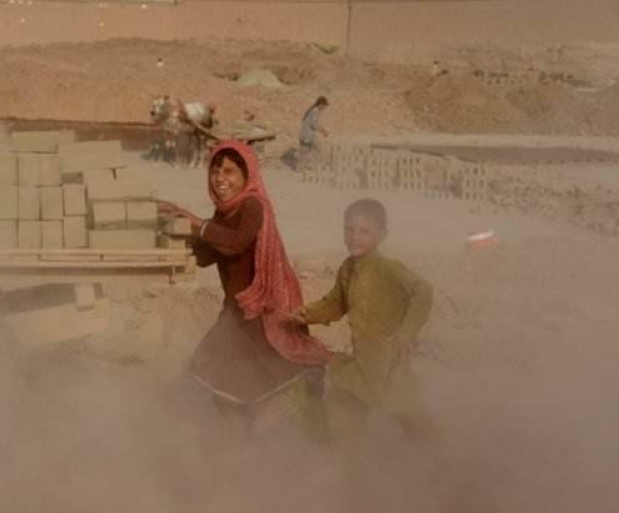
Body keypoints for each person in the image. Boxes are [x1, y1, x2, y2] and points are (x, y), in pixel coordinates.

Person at [158, 140, 330, 436]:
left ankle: (264, 433)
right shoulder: (223, 213)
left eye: (230, 172)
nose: (220, 178)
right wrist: (171, 232)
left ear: (246, 174)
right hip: (236, 311)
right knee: (213, 373)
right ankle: (241, 437)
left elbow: (236, 241)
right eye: (215, 170)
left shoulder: (253, 205)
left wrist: (196, 223)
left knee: (265, 374)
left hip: (261, 310)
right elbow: (207, 255)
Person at [291, 198, 435, 443]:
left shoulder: (389, 268)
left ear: (382, 235)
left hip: (389, 365)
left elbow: (424, 291)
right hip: (362, 362)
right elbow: (335, 304)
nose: (354, 237)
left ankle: (444, 459)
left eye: (364, 231)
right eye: (349, 229)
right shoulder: (347, 269)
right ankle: (353, 462)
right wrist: (307, 313)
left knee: (413, 420)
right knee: (345, 408)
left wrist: (407, 332)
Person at [297, 96, 329, 172]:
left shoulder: (311, 110)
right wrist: (323, 131)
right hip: (309, 135)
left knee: (303, 152)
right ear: (321, 104)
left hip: (303, 134)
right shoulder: (315, 111)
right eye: (324, 106)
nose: (324, 108)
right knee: (317, 148)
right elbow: (313, 124)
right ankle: (315, 166)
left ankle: (299, 168)